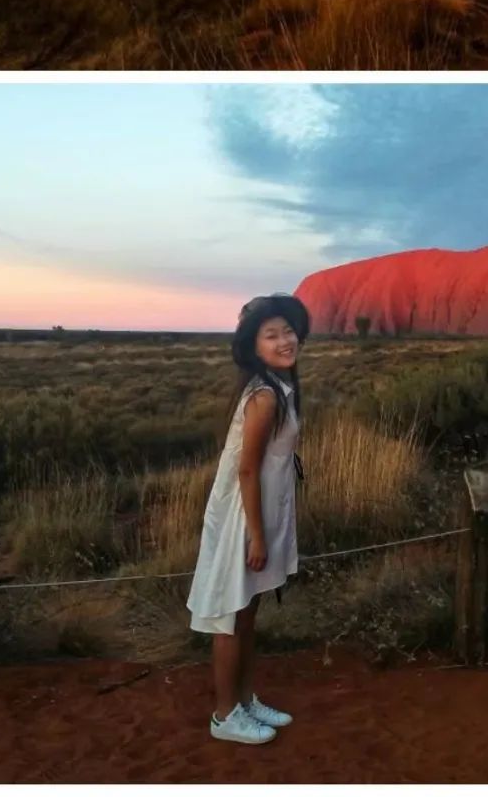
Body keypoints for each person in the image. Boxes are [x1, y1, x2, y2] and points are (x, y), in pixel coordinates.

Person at [187, 293, 309, 744]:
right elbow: (246, 469)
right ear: (254, 345)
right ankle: (224, 716)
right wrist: (257, 537)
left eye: (288, 331)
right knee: (232, 615)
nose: (285, 340)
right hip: (245, 516)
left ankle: (245, 699)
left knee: (249, 612)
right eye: (271, 334)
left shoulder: (278, 388)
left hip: (263, 510)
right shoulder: (264, 397)